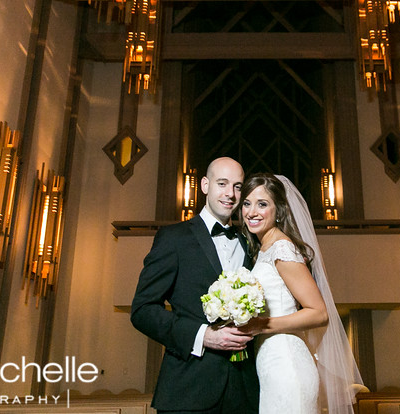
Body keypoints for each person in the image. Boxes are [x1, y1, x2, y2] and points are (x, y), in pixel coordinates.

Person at [131, 157, 259, 414]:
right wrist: (204, 336)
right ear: (204, 185)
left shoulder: (251, 243)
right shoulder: (173, 238)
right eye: (222, 184)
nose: (230, 194)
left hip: (244, 393)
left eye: (237, 186)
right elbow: (142, 310)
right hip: (187, 390)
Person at [239, 173, 364, 414]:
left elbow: (318, 313)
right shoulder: (262, 248)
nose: (251, 212)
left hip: (287, 365)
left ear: (279, 210)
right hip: (271, 364)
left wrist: (261, 325)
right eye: (247, 203)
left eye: (262, 204)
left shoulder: (282, 248)